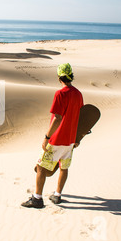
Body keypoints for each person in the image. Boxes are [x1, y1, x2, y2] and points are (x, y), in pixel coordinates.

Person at [22, 63, 83, 209]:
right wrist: (77, 138)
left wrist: (47, 137)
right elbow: (81, 116)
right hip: (70, 141)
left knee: (41, 167)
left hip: (57, 139)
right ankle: (57, 195)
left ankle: (37, 198)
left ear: (59, 76)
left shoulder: (60, 94)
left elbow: (57, 118)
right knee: (64, 167)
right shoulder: (78, 94)